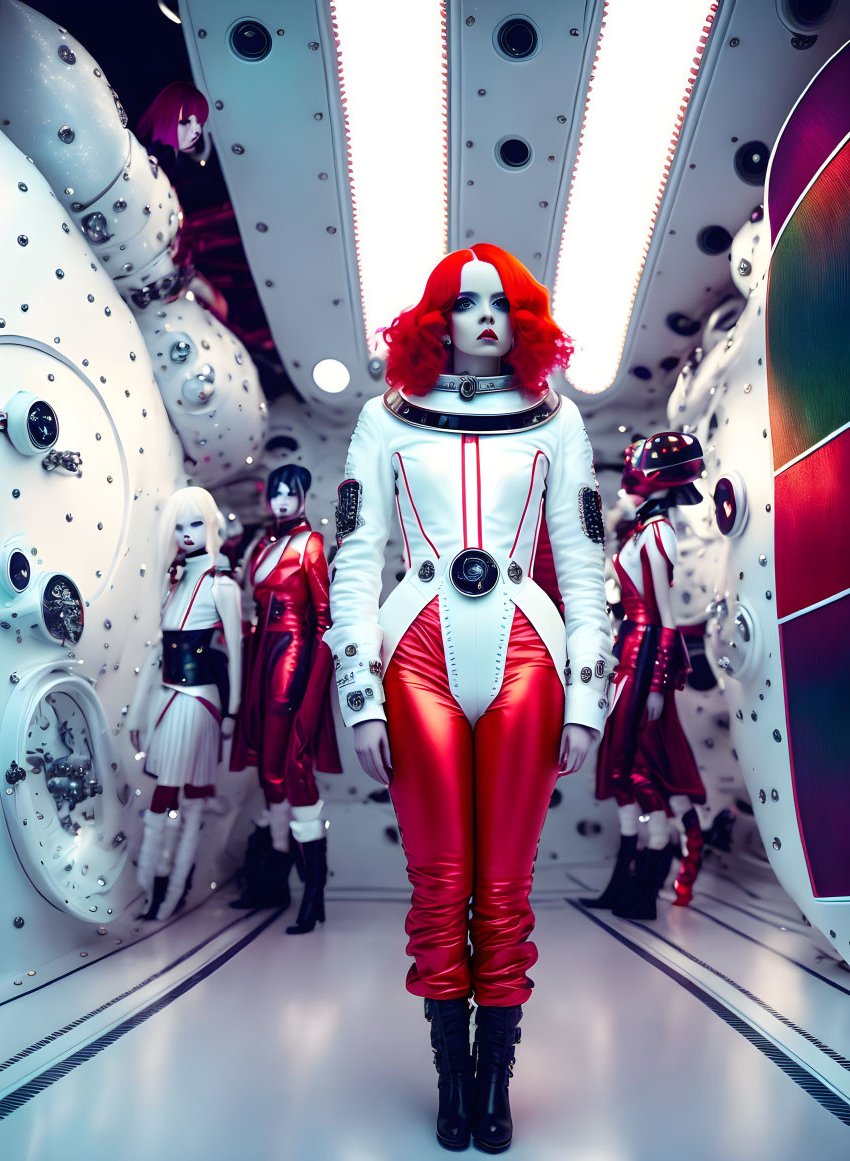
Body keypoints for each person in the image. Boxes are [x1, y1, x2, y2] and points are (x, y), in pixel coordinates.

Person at [324, 245, 613, 1152]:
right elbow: (356, 557)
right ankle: (452, 1073)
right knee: (440, 881)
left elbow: (582, 561)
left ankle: (498, 1078)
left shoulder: (559, 422)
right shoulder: (383, 418)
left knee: (504, 884)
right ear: (433, 318)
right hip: (414, 651)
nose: (483, 316)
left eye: (501, 303)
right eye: (463, 301)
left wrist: (586, 694)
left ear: (524, 319)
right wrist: (360, 692)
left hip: (530, 652)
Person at [583, 434, 707, 921]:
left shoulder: (657, 534)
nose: (620, 488)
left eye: (628, 479)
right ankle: (624, 886)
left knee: (637, 767)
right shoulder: (643, 532)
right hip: (629, 651)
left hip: (644, 652)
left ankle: (642, 890)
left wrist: (657, 683)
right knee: (619, 769)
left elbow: (665, 616)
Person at [229, 465, 341, 934]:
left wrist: (312, 679)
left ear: (301, 496)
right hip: (261, 651)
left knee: (287, 766)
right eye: (273, 492)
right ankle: (278, 879)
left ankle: (312, 891)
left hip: (291, 652)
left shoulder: (309, 544)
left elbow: (322, 616)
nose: (279, 499)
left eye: (287, 492)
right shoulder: (263, 544)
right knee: (266, 771)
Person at [128, 487, 242, 921]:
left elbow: (235, 654)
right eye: (179, 526)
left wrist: (231, 713)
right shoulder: (173, 577)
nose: (187, 534)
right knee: (172, 794)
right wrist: (141, 709)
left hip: (200, 701)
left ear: (210, 524)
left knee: (183, 794)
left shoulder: (222, 584)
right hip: (168, 695)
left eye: (195, 524)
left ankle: (170, 891)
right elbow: (157, 649)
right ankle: (157, 889)